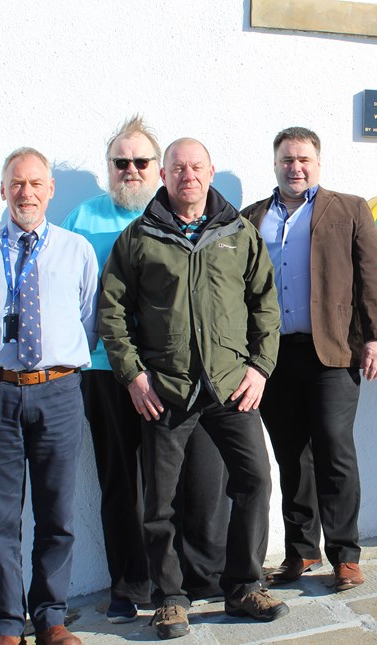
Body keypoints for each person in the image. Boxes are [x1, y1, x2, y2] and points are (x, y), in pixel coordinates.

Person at [99, 138, 286, 639]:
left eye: (196, 167)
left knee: (255, 482)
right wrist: (133, 376)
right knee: (158, 503)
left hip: (230, 386)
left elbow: (266, 305)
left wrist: (260, 368)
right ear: (163, 175)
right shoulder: (140, 238)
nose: (188, 176)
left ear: (211, 172)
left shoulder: (238, 233)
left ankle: (244, 586)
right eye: (178, 168)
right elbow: (111, 312)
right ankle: (170, 599)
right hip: (168, 390)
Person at [62, 116, 230, 623]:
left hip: (174, 370)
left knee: (194, 478)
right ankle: (130, 584)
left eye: (140, 162)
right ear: (108, 168)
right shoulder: (80, 220)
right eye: (121, 162)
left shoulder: (173, 218)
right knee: (122, 481)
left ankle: (200, 577)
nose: (130, 170)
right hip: (106, 370)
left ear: (158, 170)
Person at [0, 148, 99, 645]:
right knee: (1, 520)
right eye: (17, 183)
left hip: (58, 393)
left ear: (51, 190)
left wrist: (52, 368)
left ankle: (50, 619)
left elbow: (88, 324)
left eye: (36, 183)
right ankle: (8, 627)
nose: (26, 193)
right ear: (3, 190)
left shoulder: (76, 250)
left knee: (56, 513)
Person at [241, 126, 377, 591]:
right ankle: (301, 552)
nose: (296, 167)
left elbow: (373, 275)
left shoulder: (349, 208)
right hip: (273, 356)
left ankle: (345, 555)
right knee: (290, 456)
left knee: (333, 449)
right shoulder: (251, 218)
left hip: (333, 352)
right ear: (275, 164)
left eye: (304, 159)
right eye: (287, 159)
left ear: (318, 163)